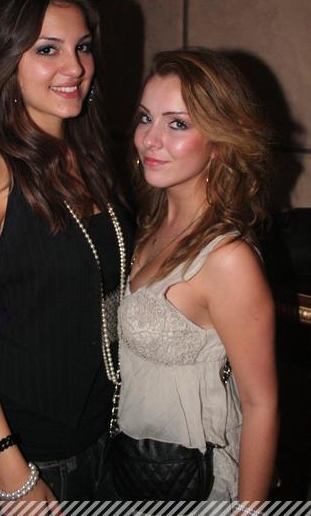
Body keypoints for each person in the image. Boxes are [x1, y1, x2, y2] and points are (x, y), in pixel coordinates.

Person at [0, 0, 133, 502]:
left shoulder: (91, 158)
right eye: (48, 49)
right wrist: (10, 467)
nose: (75, 67)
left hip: (107, 434)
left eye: (82, 47)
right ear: (8, 60)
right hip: (33, 450)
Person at [110, 48, 278, 507]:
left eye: (178, 124)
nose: (150, 139)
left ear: (219, 142)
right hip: (135, 474)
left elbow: (261, 405)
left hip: (199, 488)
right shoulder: (149, 226)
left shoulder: (227, 259)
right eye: (146, 118)